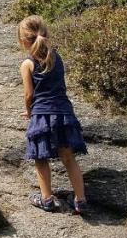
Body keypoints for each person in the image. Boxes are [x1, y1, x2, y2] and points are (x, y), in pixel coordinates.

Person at [18, 15, 88, 214]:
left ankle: (46, 199)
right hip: (64, 112)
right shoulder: (57, 57)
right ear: (45, 34)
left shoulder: (27, 64)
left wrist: (30, 111)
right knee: (68, 157)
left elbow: (29, 94)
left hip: (41, 114)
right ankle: (80, 200)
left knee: (41, 158)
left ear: (23, 41)